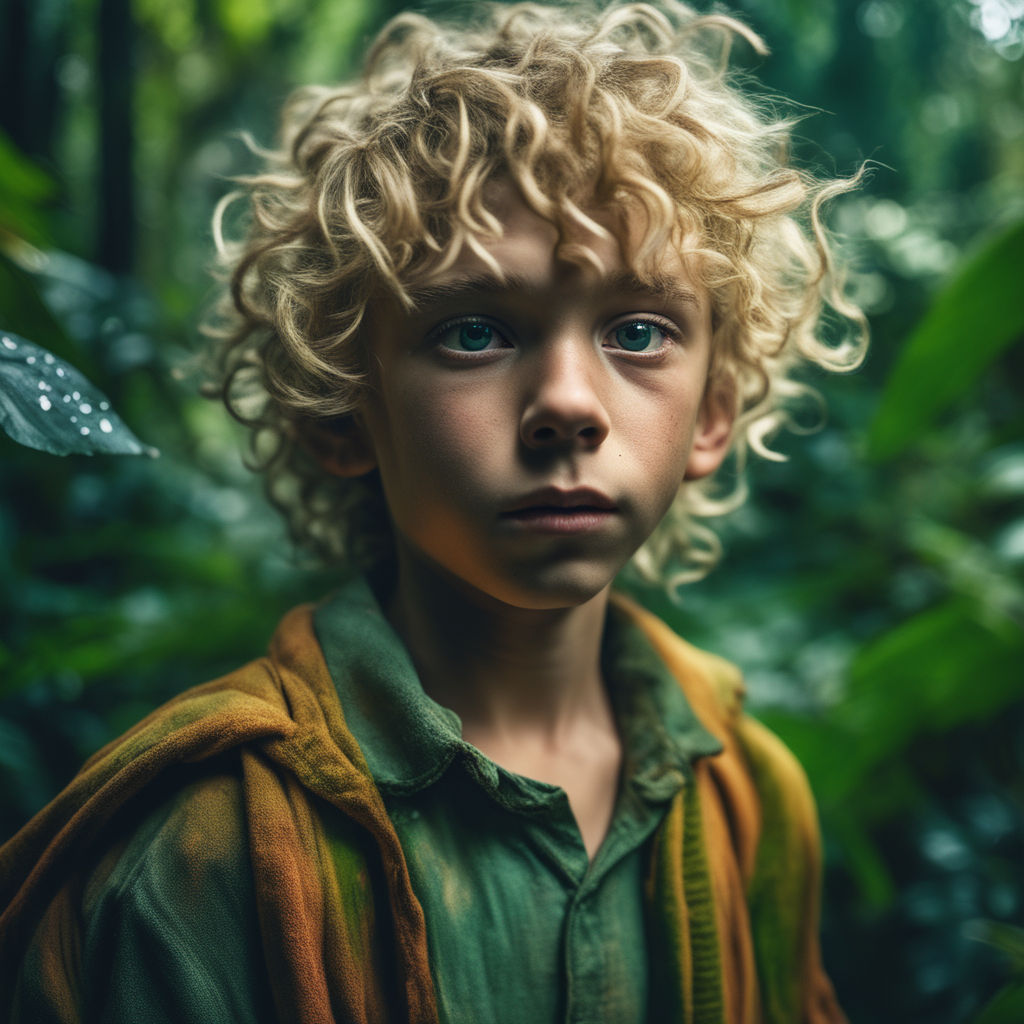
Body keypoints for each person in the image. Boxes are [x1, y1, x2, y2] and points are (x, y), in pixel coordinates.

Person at [0, 2, 867, 1021]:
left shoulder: (751, 801)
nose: (568, 405)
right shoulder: (197, 852)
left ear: (712, 413)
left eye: (637, 331)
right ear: (341, 411)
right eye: (471, 333)